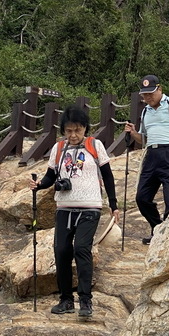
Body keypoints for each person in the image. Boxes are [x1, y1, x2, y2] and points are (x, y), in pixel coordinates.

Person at [29, 105, 119, 317]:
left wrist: (114, 205)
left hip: (90, 206)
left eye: (77, 130)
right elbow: (51, 177)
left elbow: (108, 176)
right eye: (69, 130)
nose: (73, 135)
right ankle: (66, 300)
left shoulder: (95, 145)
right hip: (64, 207)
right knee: (61, 251)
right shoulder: (58, 149)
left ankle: (85, 301)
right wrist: (40, 185)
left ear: (85, 129)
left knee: (81, 249)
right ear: (63, 131)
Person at [124, 74, 169, 245]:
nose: (148, 97)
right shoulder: (146, 111)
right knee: (142, 197)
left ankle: (167, 236)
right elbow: (143, 139)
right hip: (152, 154)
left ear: (160, 89)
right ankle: (158, 228)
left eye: (151, 93)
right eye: (145, 94)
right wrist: (133, 133)